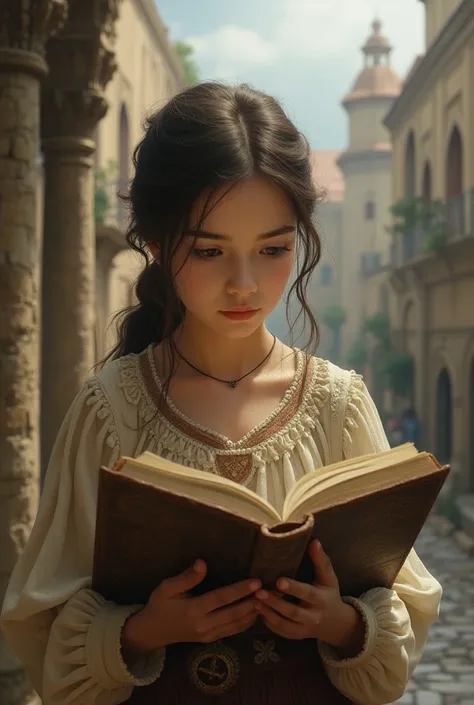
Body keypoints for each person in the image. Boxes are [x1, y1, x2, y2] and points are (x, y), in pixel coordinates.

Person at [0, 82, 442, 705]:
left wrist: (341, 624)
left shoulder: (340, 405)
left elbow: (400, 612)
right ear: (155, 244)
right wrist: (147, 629)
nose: (245, 284)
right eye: (209, 250)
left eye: (272, 250)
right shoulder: (111, 408)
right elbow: (42, 626)